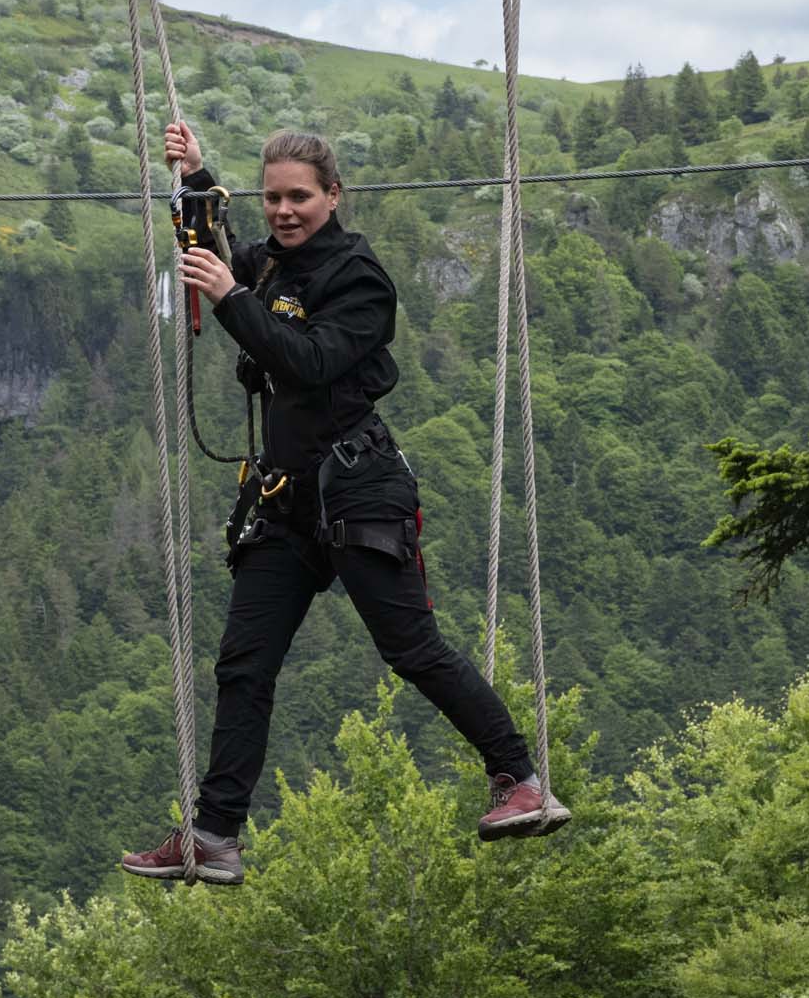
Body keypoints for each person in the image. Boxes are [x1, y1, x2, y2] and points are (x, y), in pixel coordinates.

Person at [122, 122, 567, 887]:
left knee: (410, 647)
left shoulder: (359, 277)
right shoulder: (267, 266)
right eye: (272, 198)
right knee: (244, 664)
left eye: (300, 197)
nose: (284, 211)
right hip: (287, 497)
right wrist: (199, 178)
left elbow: (311, 361)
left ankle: (520, 778)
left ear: (334, 196)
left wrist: (230, 299)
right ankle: (215, 834)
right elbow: (227, 250)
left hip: (360, 486)